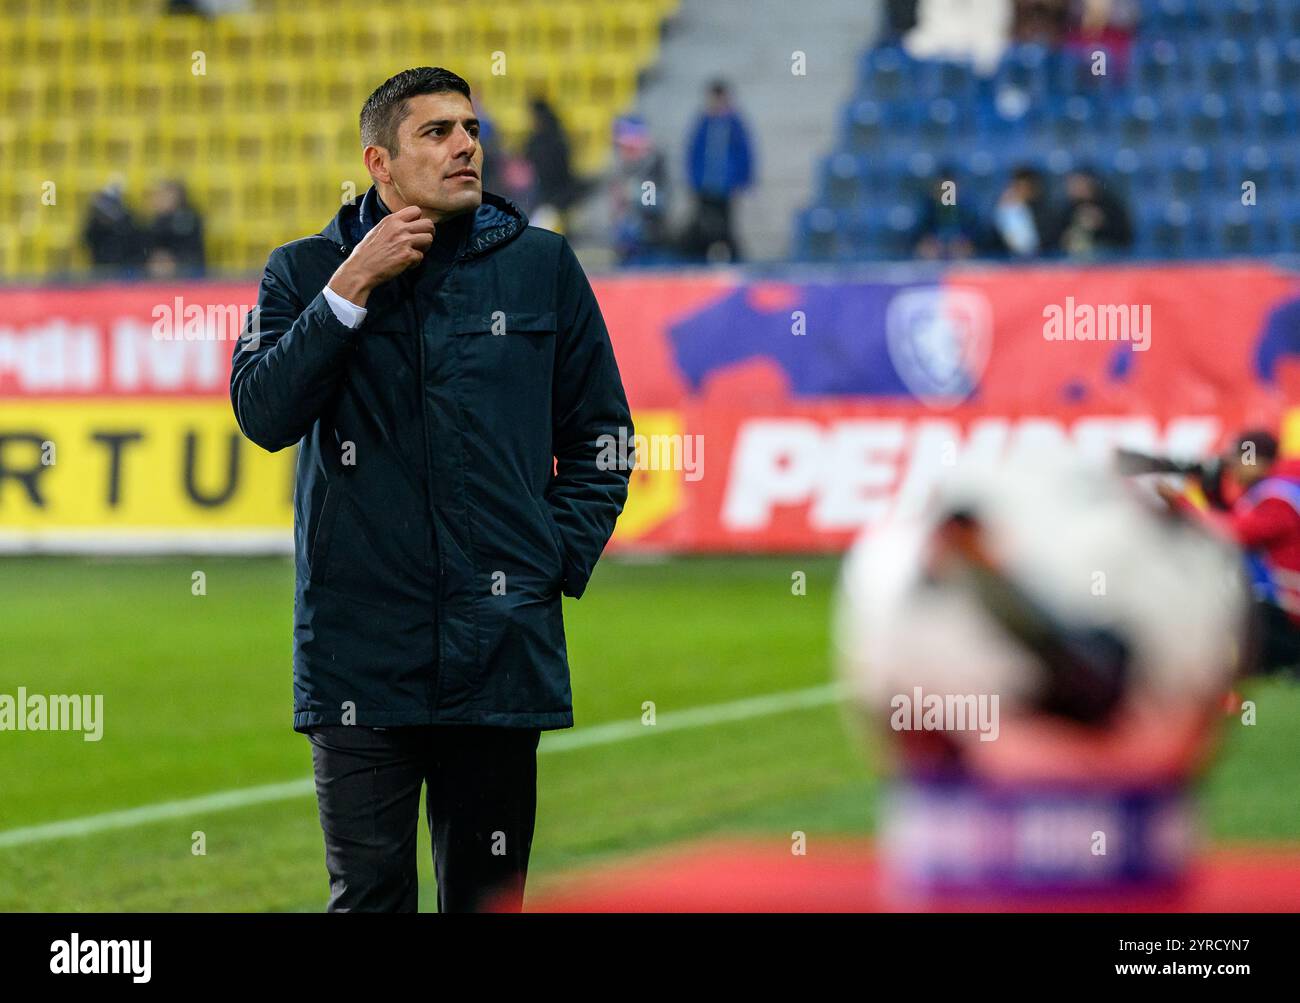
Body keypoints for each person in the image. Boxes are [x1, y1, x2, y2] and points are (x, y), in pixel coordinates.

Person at [229, 66, 634, 912]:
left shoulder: (542, 266)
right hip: (358, 655)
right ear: (379, 161)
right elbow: (263, 412)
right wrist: (351, 285)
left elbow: (602, 436)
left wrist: (547, 559)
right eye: (437, 132)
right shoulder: (304, 271)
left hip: (498, 649)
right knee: (369, 897)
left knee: (488, 898)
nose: (464, 147)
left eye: (471, 129)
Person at [1157, 430, 1300, 677]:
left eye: (1238, 459)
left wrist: (1182, 504)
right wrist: (1210, 494)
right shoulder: (1272, 491)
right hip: (1277, 608)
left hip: (1287, 609)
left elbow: (1231, 535)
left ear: (1259, 462)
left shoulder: (1278, 498)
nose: (1231, 467)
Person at [682, 79, 753, 262]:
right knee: (704, 222)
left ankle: (732, 257)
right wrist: (694, 179)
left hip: (725, 185)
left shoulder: (734, 124)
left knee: (726, 223)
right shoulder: (704, 123)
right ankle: (703, 256)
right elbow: (694, 152)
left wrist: (742, 179)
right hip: (705, 184)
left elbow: (744, 152)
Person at [1055, 168, 1132, 257]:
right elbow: (1056, 238)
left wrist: (1103, 223)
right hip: (1073, 258)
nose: (1074, 188)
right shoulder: (1067, 208)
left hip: (1108, 256)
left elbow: (1125, 237)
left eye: (1080, 183)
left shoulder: (1109, 205)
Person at [82, 178, 145, 277]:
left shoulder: (129, 220)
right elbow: (87, 240)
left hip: (127, 268)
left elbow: (137, 244)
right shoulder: (96, 221)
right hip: (102, 267)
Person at [143, 179, 206, 278]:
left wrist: (173, 260)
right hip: (161, 268)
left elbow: (190, 248)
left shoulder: (190, 217)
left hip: (188, 268)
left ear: (178, 197)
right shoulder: (155, 221)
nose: (160, 199)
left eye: (166, 195)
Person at [990, 166, 1056, 258]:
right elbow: (994, 243)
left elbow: (1034, 245)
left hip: (1041, 263)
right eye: (1018, 187)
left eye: (1026, 187)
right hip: (1008, 263)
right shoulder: (1005, 210)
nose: (1022, 190)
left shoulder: (1045, 212)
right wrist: (1006, 213)